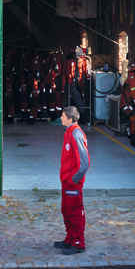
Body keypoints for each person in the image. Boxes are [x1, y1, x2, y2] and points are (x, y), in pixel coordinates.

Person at [55, 106, 90, 255]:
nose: (61, 118)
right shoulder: (68, 133)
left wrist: (74, 180)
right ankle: (69, 238)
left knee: (75, 213)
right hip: (67, 182)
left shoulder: (76, 134)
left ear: (70, 118)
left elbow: (84, 163)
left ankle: (78, 242)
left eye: (63, 116)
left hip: (72, 184)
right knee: (66, 211)